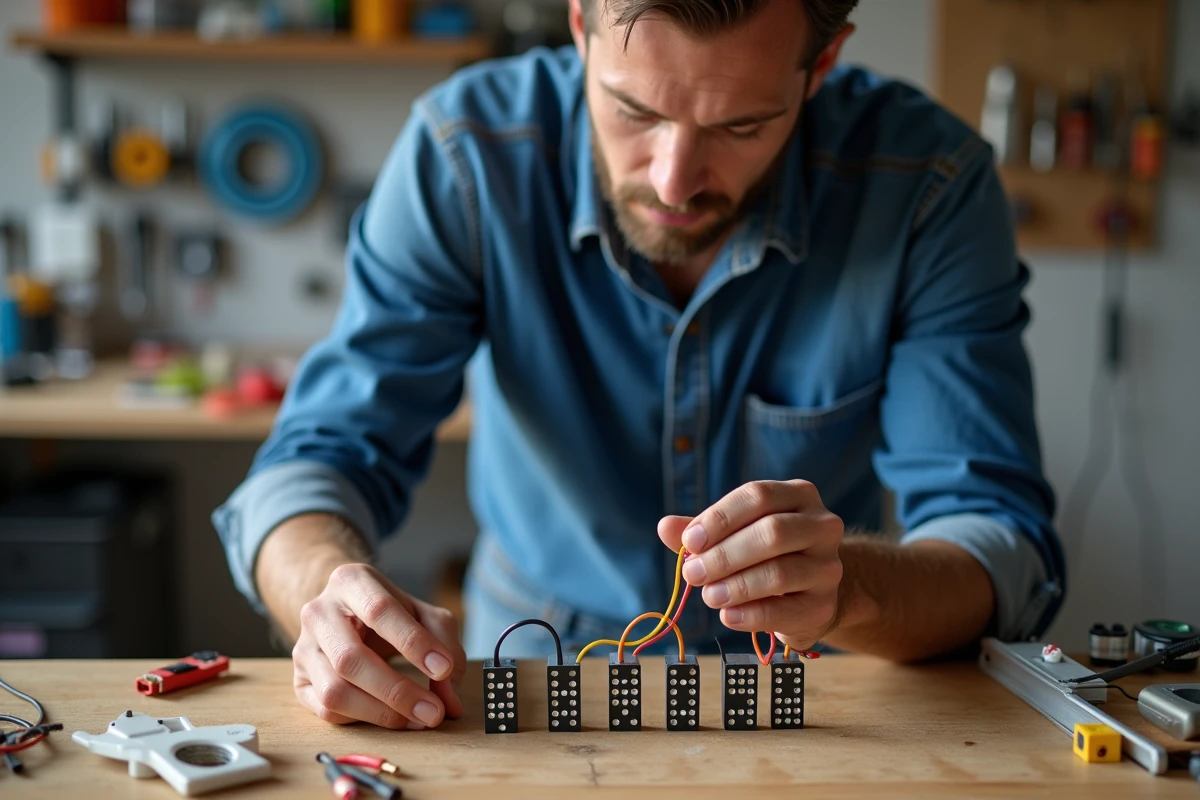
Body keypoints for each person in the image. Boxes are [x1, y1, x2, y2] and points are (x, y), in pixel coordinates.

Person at [213, 0, 1065, 732]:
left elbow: (997, 550)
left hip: (822, 696)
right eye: (633, 111)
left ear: (824, 61)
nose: (675, 181)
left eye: (741, 125)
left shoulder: (928, 186)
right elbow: (309, 468)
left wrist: (847, 592)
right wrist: (325, 597)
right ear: (581, 25)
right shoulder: (465, 155)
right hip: (531, 675)